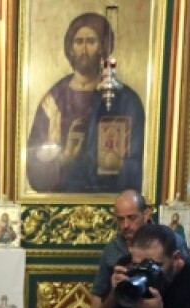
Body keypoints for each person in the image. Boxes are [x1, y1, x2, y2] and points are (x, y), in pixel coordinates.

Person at [25, 12, 145, 193]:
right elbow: (34, 166)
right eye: (78, 42)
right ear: (70, 47)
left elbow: (142, 165)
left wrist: (119, 164)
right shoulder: (54, 100)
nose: (84, 50)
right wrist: (64, 157)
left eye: (91, 41)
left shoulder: (126, 100)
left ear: (102, 48)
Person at [87, 190, 188, 308]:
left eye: (131, 218)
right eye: (120, 219)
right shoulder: (112, 250)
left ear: (146, 214)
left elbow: (186, 285)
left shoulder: (171, 241)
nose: (125, 225)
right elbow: (98, 293)